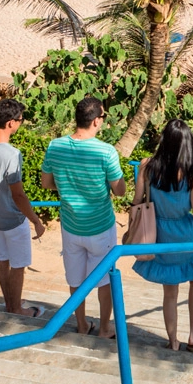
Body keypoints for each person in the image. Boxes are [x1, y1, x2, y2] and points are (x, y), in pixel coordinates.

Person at [41, 97, 126, 338]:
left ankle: (81, 324)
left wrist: (71, 186)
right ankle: (104, 328)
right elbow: (119, 191)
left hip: (70, 225)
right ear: (97, 120)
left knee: (75, 278)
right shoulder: (106, 151)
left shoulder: (55, 146)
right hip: (100, 225)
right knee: (104, 280)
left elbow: (46, 184)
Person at [132, 120, 193, 352]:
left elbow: (137, 201)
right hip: (187, 236)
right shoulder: (191, 173)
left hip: (160, 236)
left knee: (170, 292)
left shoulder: (147, 166)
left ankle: (173, 340)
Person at [0, 99, 46, 317]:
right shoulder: (12, 154)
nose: (21, 124)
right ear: (11, 123)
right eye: (21, 120)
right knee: (18, 265)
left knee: (3, 260)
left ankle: (10, 303)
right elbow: (18, 194)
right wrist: (35, 220)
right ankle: (16, 309)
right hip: (11, 219)